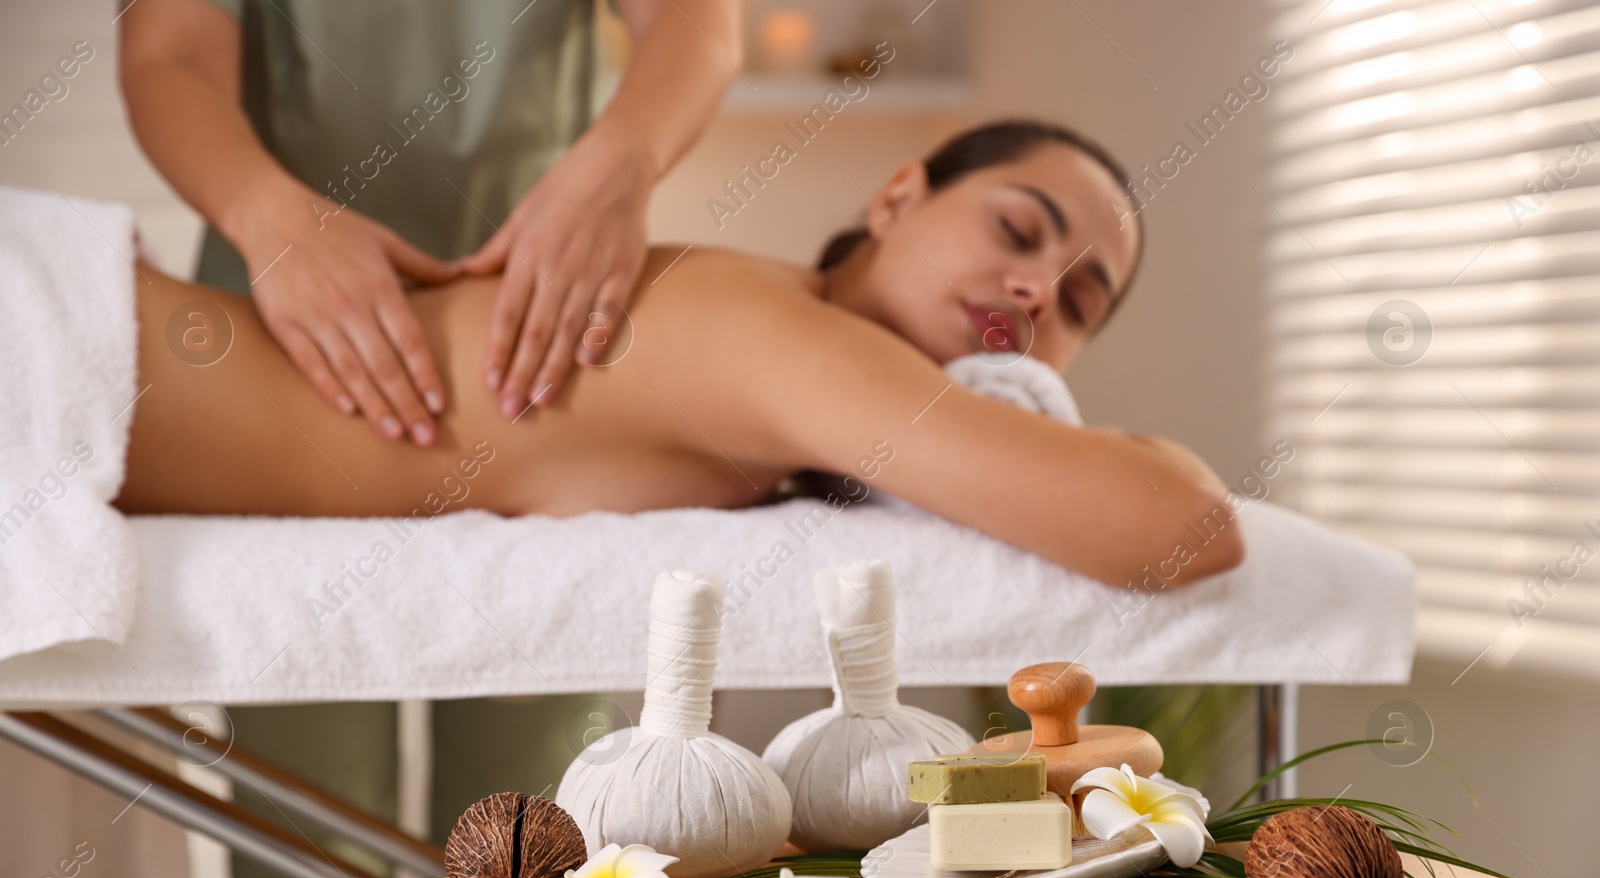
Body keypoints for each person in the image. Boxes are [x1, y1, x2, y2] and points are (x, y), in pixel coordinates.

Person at [117, 2, 740, 878]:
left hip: (532, 356)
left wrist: (620, 163)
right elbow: (167, 50)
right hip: (282, 354)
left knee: (533, 872)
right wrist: (274, 219)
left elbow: (699, 21)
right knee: (303, 869)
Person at [118, 121, 1244, 590]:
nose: (1036, 289)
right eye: (1016, 229)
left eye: (1080, 298)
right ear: (898, 196)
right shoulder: (790, 339)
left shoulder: (781, 330)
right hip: (67, 347)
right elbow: (1184, 530)